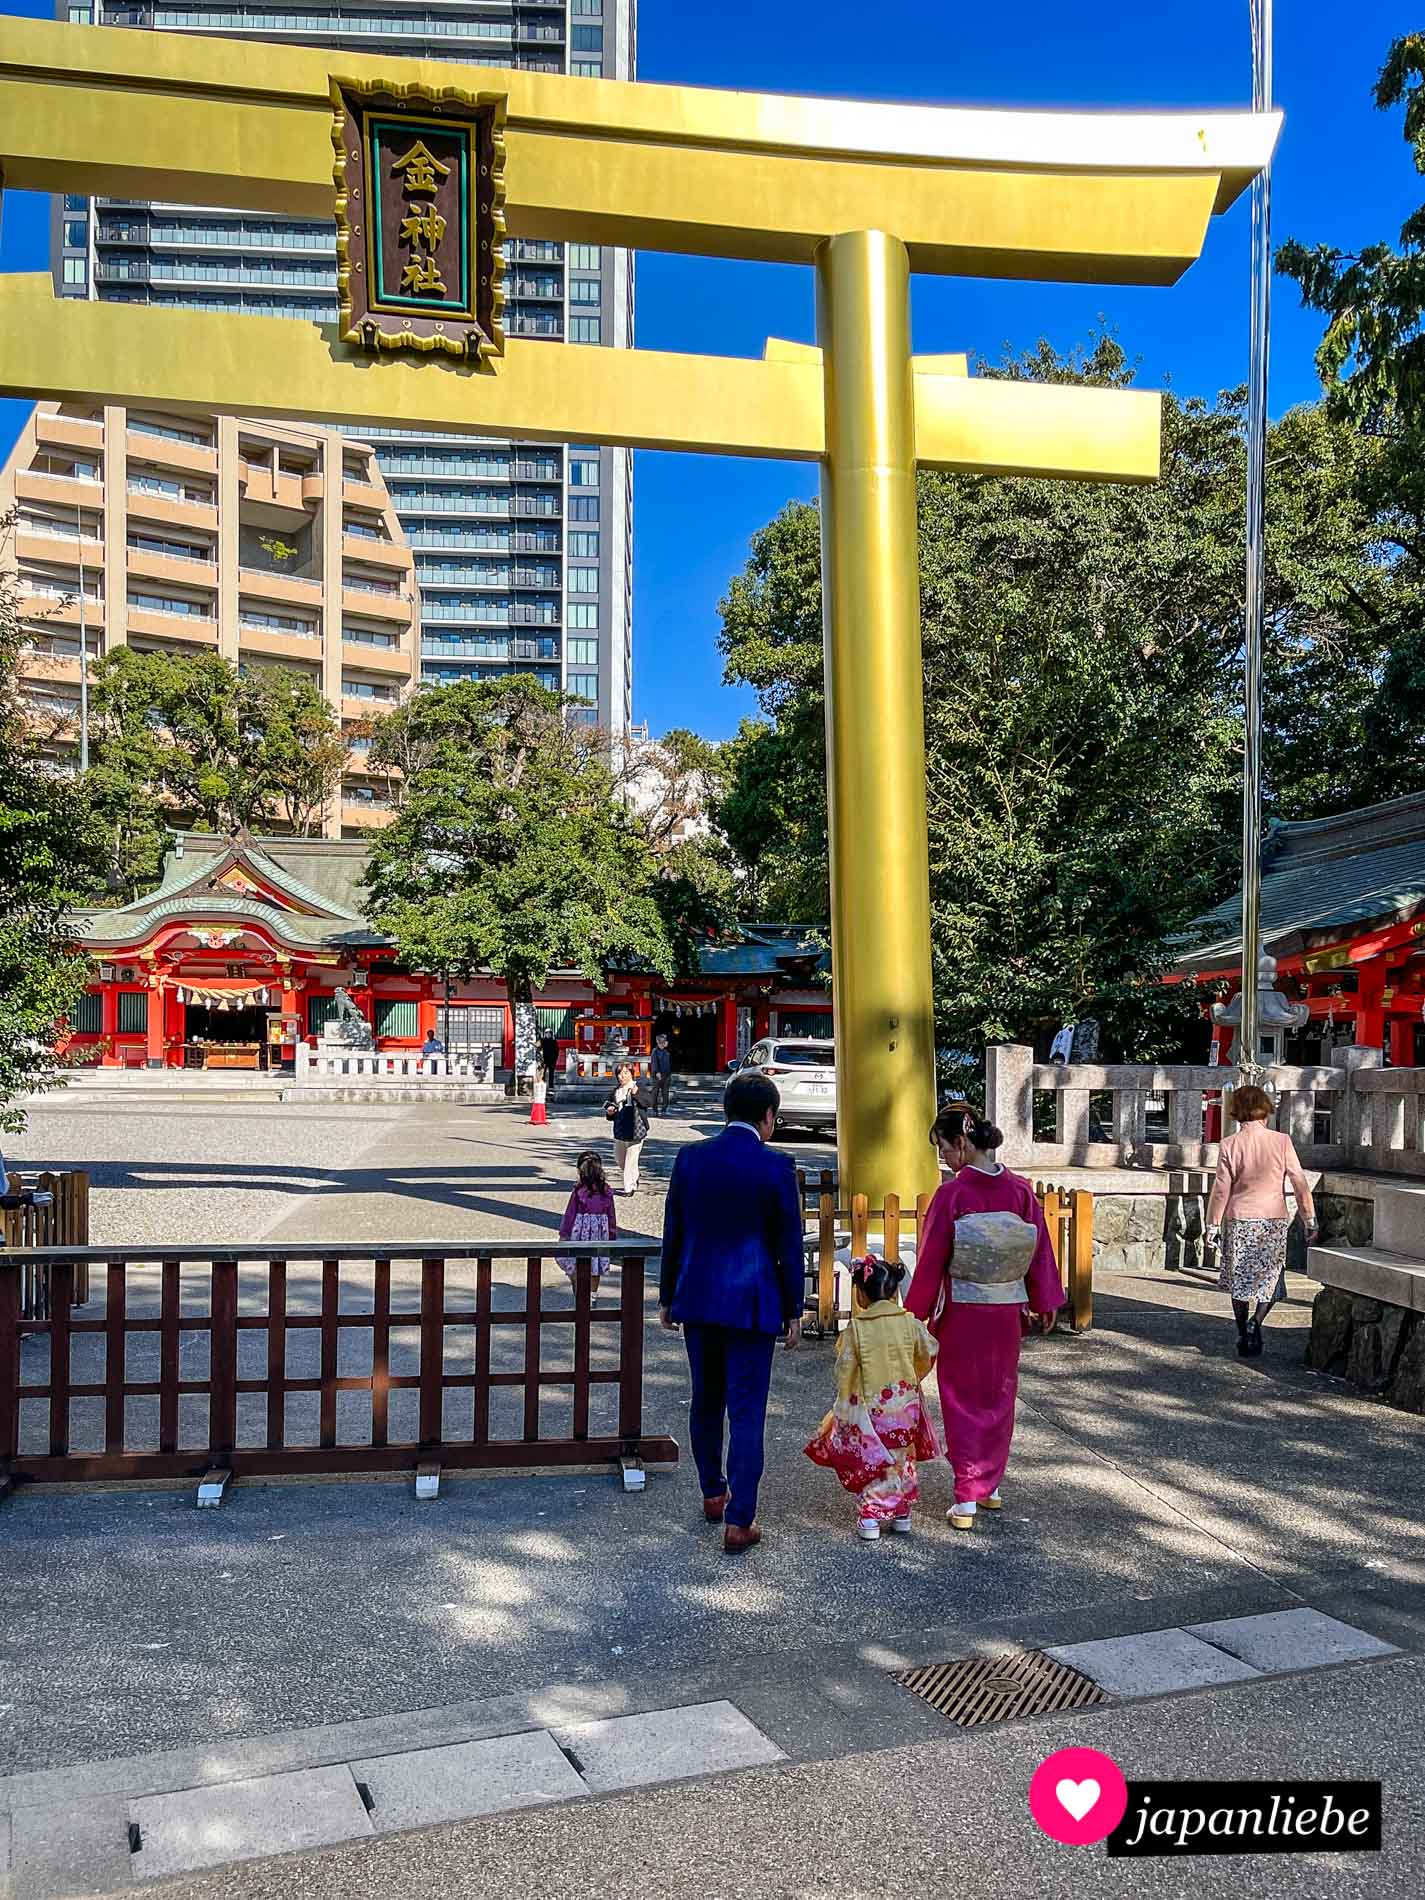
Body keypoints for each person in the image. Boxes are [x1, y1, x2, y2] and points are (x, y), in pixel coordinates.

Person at [660, 1070, 804, 1554]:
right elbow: (788, 1246)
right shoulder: (777, 1167)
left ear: (726, 1110)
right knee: (746, 1412)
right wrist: (793, 1307)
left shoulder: (690, 1159)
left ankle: (711, 1492)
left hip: (698, 1298)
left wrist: (667, 1296)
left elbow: (674, 1231)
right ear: (768, 1116)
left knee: (706, 1401)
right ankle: (740, 1520)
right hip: (754, 1301)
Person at [905, 1102, 1065, 1530]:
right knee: (999, 1394)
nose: (943, 1159)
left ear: (961, 1142)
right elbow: (1041, 1252)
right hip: (1007, 1310)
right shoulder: (1019, 1190)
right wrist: (1044, 1300)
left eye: (943, 1149)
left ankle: (966, 1495)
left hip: (965, 1310)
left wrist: (914, 1312)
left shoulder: (953, 1194)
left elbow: (932, 1258)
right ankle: (989, 1485)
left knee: (962, 1398)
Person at [805, 1255, 939, 1541]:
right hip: (905, 1404)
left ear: (861, 1294)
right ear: (893, 1292)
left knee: (875, 1458)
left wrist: (847, 1397)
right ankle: (902, 1513)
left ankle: (871, 1517)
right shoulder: (910, 1323)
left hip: (872, 1407)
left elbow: (845, 1368)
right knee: (901, 1455)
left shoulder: (858, 1328)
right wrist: (912, 1377)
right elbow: (929, 1351)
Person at [1206, 1083, 1317, 1359]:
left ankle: (1243, 1332)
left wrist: (1211, 1225)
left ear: (1236, 1112)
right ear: (1264, 1109)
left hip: (1239, 1218)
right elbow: (1299, 1181)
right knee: (1270, 1276)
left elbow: (1221, 1188)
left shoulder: (1230, 1145)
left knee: (1239, 1279)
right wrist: (1309, 1218)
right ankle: (1258, 1320)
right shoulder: (1281, 1142)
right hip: (1273, 1219)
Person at [555, 1149, 617, 1297]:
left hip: (579, 1233)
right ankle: (592, 1295)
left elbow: (570, 1214)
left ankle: (578, 1291)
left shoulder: (579, 1190)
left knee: (575, 1262)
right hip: (600, 1234)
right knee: (595, 1265)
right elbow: (611, 1215)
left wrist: (564, 1234)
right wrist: (612, 1234)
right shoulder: (606, 1190)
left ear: (579, 1170)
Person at [604, 1062, 650, 1196]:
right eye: (619, 1073)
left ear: (631, 1074)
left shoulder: (637, 1087)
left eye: (625, 1073)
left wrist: (637, 1094)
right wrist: (610, 1112)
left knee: (631, 1160)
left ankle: (629, 1187)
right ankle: (634, 1175)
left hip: (636, 1129)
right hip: (620, 1130)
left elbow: (649, 1102)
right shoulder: (616, 1091)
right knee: (619, 1159)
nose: (622, 1076)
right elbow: (610, 1112)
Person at [650, 1033, 674, 1116]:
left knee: (665, 1093)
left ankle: (664, 1109)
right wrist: (657, 1072)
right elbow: (654, 1062)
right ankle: (655, 1109)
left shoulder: (666, 1051)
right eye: (663, 1041)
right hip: (657, 1075)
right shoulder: (655, 1051)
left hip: (666, 1074)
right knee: (655, 1092)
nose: (665, 1043)